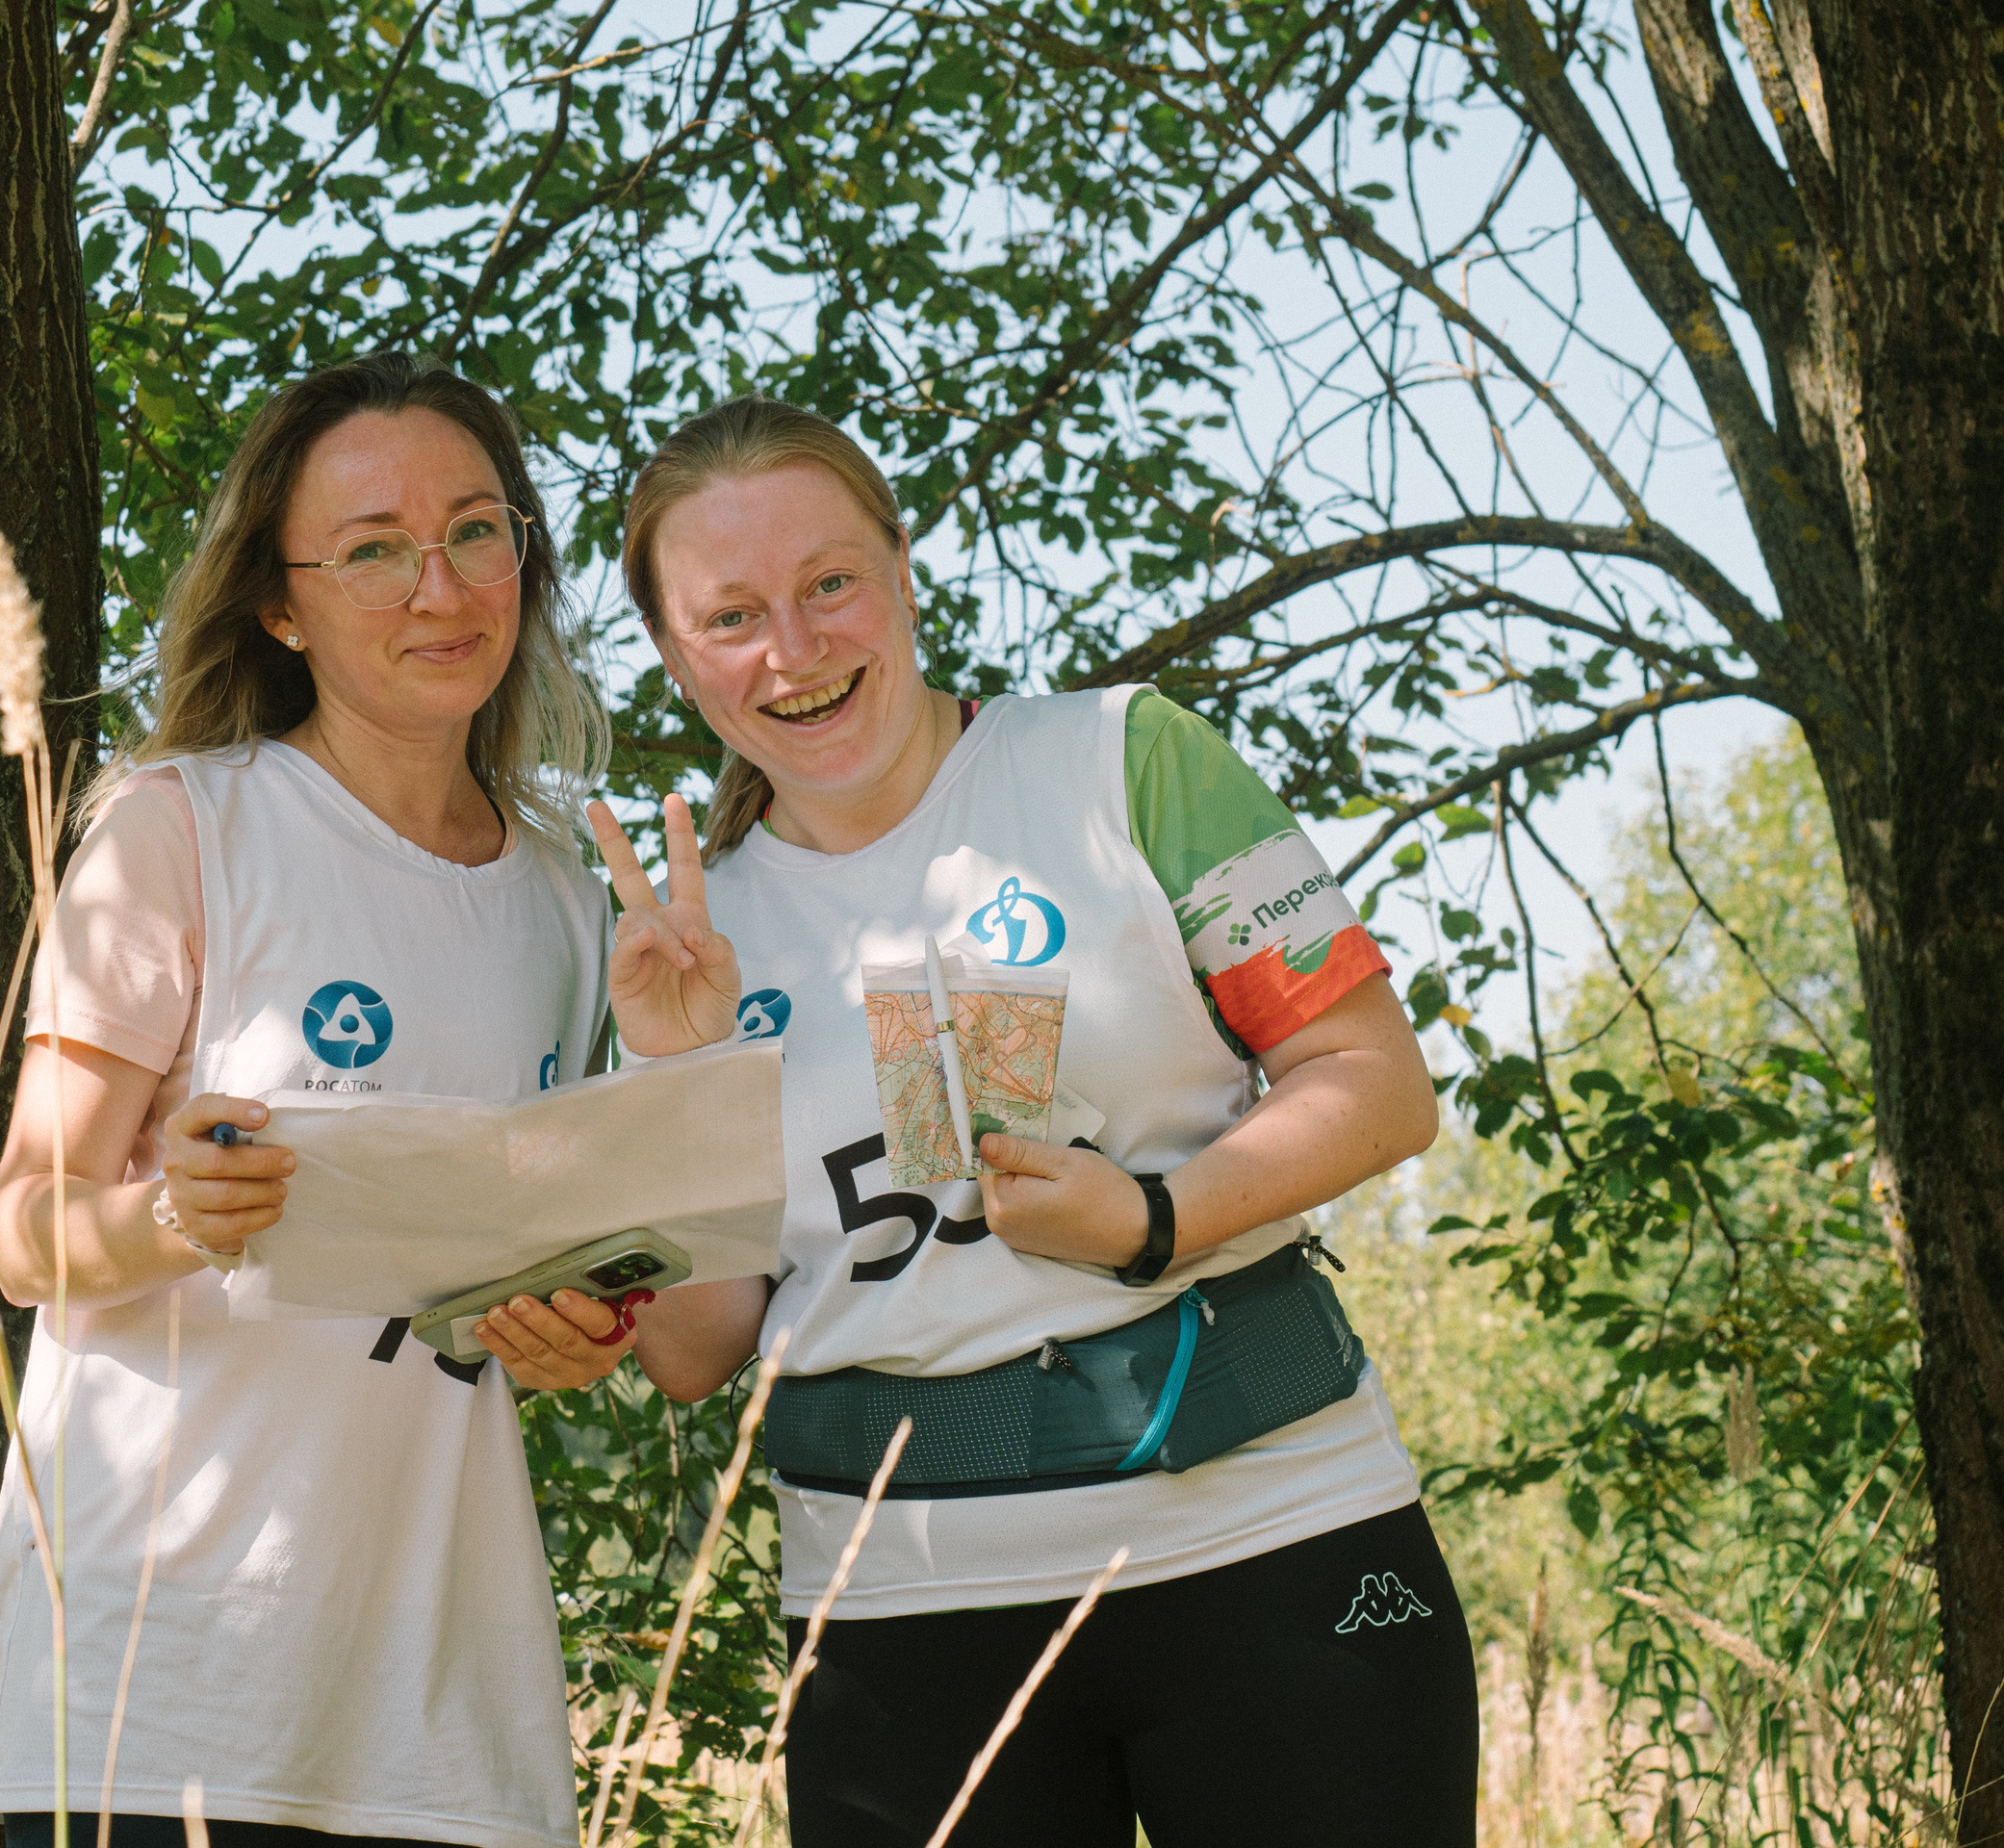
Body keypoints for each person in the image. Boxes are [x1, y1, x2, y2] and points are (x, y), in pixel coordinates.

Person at [593, 398, 1477, 1846]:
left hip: (1271, 1537)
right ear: (677, 655)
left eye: (830, 585)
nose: (793, 649)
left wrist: (1154, 1220)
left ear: (902, 572)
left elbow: (1377, 1083)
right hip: (900, 1610)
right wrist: (667, 1075)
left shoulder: (1126, 760)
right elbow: (693, 1353)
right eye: (732, 615)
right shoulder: (688, 929)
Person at [0, 354, 633, 1848]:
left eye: (479, 529)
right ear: (280, 604)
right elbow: (20, 1234)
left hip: (450, 1722)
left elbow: (501, 1285)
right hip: (168, 1696)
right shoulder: (178, 829)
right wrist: (164, 1218)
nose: (440, 585)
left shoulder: (565, 898)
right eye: (375, 548)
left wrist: (569, 1332)